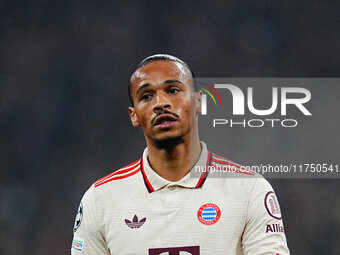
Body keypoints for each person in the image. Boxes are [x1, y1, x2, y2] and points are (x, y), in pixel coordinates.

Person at [71, 54, 290, 254]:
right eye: (146, 96)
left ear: (198, 101)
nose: (161, 103)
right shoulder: (100, 200)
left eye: (173, 90)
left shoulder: (249, 190)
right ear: (134, 115)